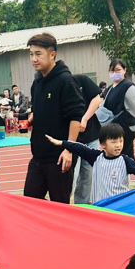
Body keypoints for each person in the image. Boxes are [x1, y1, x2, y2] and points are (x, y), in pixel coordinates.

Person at [23, 32, 86, 203]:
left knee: (59, 206)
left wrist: (69, 149)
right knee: (29, 203)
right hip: (38, 157)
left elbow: (76, 116)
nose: (33, 59)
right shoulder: (37, 82)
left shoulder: (65, 81)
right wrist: (33, 118)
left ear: (52, 55)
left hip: (59, 157)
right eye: (31, 54)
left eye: (38, 54)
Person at [48, 123, 135, 203]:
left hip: (119, 206)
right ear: (103, 144)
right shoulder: (96, 158)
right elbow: (79, 148)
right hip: (99, 207)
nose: (118, 145)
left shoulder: (125, 160)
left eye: (121, 141)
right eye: (113, 142)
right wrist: (62, 143)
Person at [97, 59, 135, 161]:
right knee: (127, 157)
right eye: (112, 71)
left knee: (122, 157)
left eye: (118, 70)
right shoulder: (110, 88)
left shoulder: (128, 86)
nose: (115, 73)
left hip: (126, 127)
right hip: (116, 126)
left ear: (124, 70)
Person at [71, 72, 102, 206]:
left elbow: (97, 99)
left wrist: (85, 118)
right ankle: (60, 203)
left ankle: (83, 205)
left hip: (90, 136)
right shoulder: (57, 87)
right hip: (71, 139)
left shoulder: (81, 80)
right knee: (70, 175)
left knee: (88, 175)